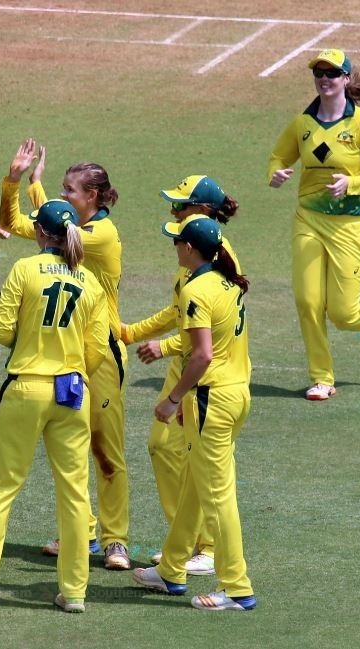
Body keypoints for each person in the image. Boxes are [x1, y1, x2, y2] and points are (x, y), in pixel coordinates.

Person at [0, 198, 109, 614]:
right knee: (75, 496)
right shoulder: (91, 282)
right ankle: (75, 592)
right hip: (73, 392)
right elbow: (96, 353)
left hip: (26, 388)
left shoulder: (26, 269)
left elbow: (2, 330)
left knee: (1, 490)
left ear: (41, 234)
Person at [1, 139, 132, 570]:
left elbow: (49, 230)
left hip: (101, 356)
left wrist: (36, 194)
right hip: (67, 356)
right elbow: (21, 223)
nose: (63, 197)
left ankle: (116, 540)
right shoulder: (72, 226)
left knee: (105, 451)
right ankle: (84, 533)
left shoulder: (102, 234)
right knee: (71, 450)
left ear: (91, 197)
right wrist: (15, 182)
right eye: (60, 189)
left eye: (69, 191)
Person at [131, 215, 256, 612]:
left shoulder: (198, 289)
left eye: (177, 242)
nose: (174, 247)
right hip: (234, 395)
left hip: (210, 400)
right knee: (196, 489)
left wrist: (173, 399)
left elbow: (201, 355)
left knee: (218, 497)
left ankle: (237, 588)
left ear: (189, 249)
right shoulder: (227, 280)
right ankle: (171, 569)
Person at [121, 175, 242, 577]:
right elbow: (182, 315)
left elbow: (205, 339)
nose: (173, 213)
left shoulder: (212, 267)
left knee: (204, 475)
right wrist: (135, 332)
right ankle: (182, 550)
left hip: (206, 383)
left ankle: (212, 557)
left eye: (180, 206)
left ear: (203, 213)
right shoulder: (203, 263)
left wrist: (167, 356)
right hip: (208, 379)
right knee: (168, 451)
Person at [267, 48, 360, 401]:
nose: (324, 79)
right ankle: (322, 378)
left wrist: (350, 184)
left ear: (345, 80)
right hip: (308, 218)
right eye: (319, 73)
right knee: (307, 301)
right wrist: (274, 174)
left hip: (350, 225)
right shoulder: (302, 124)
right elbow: (278, 156)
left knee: (342, 313)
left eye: (332, 73)